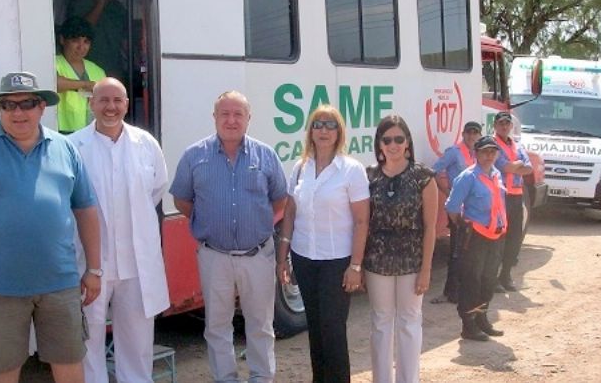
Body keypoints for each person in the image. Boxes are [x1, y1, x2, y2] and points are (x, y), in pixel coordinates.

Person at [0, 72, 101, 383]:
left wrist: (94, 269)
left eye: (27, 103)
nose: (18, 112)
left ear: (41, 107)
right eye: (8, 105)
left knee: (70, 367)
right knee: (2, 371)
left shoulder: (65, 149)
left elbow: (86, 209)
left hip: (60, 284)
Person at [170, 91, 287, 383]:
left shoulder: (266, 155)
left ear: (249, 119)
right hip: (214, 255)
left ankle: (261, 378)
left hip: (257, 255)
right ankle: (226, 378)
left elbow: (279, 200)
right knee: (217, 325)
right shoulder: (194, 156)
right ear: (214, 117)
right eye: (225, 114)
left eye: (238, 114)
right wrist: (211, 220)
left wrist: (252, 223)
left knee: (260, 324)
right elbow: (181, 200)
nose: (231, 120)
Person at [68, 78, 169, 383]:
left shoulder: (146, 144)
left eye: (117, 100)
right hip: (91, 263)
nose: (110, 107)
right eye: (103, 100)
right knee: (88, 340)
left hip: (137, 265)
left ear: (126, 104)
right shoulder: (73, 147)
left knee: (137, 342)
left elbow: (157, 189)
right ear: (91, 104)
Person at [276, 105, 370, 383]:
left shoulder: (351, 170)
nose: (324, 130)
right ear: (310, 132)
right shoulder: (300, 168)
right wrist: (282, 257)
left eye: (330, 125)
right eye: (318, 125)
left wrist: (356, 265)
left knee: (333, 330)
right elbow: (290, 213)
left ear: (339, 132)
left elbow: (362, 221)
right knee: (315, 329)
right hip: (304, 258)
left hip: (337, 262)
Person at [365, 115, 438, 383]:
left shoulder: (423, 177)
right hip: (377, 261)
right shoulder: (369, 176)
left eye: (399, 139)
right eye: (387, 140)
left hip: (412, 261)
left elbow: (430, 227)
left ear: (407, 143)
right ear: (379, 144)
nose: (393, 145)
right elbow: (362, 222)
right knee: (381, 323)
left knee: (409, 322)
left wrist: (426, 269)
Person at [445, 136, 508, 341]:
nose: (489, 156)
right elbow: (452, 207)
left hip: (496, 235)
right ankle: (469, 325)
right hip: (475, 237)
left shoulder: (496, 174)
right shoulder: (468, 177)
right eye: (484, 152)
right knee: (472, 280)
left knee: (489, 279)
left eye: (492, 152)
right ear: (476, 154)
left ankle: (482, 319)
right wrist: (464, 227)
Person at [432, 121, 482, 303]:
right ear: (463, 134)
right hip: (458, 211)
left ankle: (463, 290)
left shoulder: (479, 154)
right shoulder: (454, 152)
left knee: (470, 252)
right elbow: (433, 170)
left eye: (475, 133)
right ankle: (450, 292)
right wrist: (446, 191)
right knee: (456, 252)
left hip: (474, 211)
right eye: (469, 132)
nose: (472, 136)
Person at [492, 111, 532, 292]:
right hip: (499, 197)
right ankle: (492, 277)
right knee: (498, 238)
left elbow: (529, 168)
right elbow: (502, 165)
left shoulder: (517, 145)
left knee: (514, 238)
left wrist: (513, 166)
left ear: (511, 126)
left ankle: (505, 275)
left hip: (516, 196)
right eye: (501, 123)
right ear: (495, 125)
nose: (504, 126)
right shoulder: (491, 145)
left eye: (507, 123)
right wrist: (517, 165)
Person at [71, 0, 128, 82]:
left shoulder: (118, 9)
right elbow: (82, 30)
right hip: (86, 67)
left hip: (112, 68)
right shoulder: (82, 1)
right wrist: (100, 3)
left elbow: (125, 40)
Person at [56, 16, 107, 134]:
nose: (81, 47)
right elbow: (54, 83)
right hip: (62, 131)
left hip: (93, 132)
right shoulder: (53, 63)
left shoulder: (97, 70)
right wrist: (85, 84)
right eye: (75, 40)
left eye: (86, 42)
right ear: (62, 40)